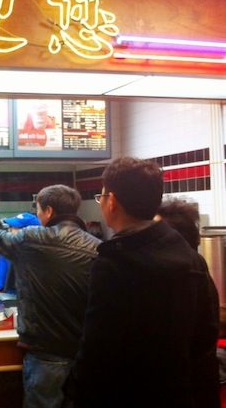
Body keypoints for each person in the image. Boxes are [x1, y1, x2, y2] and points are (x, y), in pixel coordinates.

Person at [66, 157, 219, 408]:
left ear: (111, 201)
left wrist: (75, 392)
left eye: (101, 196)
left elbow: (98, 349)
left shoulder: (114, 263)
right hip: (180, 396)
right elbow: (205, 339)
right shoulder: (191, 258)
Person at [0, 183, 100, 408]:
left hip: (46, 354)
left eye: (38, 209)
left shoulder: (33, 239)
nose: (38, 214)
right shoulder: (97, 248)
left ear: (49, 211)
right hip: (86, 355)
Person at [0, 213, 41, 298]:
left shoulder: (46, 255)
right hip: (11, 301)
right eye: (10, 227)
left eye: (14, 227)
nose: (9, 230)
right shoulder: (8, 253)